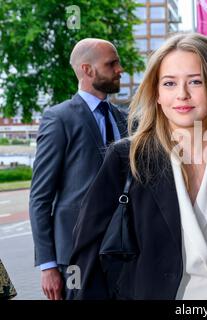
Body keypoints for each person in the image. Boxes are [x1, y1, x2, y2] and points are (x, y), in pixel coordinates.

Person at [69, 33, 207, 300]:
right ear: (157, 94)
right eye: (170, 83)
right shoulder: (126, 158)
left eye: (196, 81)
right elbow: (86, 253)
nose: (182, 94)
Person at [29, 38, 128, 300]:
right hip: (76, 257)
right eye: (112, 63)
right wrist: (48, 265)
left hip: (124, 253)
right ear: (87, 69)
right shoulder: (59, 118)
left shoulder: (125, 119)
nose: (120, 69)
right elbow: (40, 197)